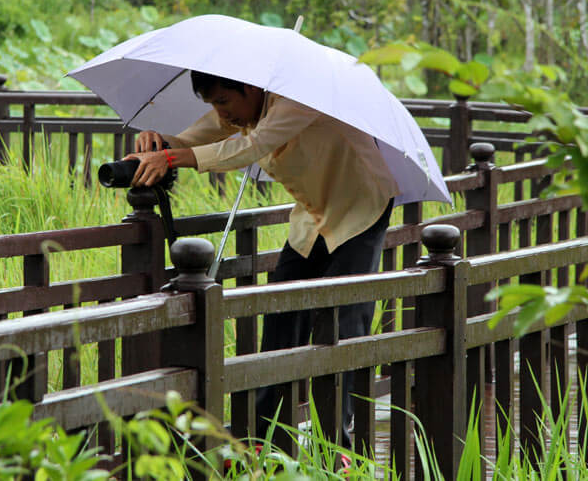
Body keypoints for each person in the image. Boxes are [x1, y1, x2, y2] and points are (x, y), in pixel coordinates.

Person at [125, 70, 398, 446]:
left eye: (223, 101)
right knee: (280, 319)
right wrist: (160, 144)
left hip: (359, 210)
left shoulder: (298, 97)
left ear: (250, 88)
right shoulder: (245, 109)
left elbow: (251, 147)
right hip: (312, 219)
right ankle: (265, 440)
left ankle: (339, 446)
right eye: (213, 104)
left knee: (341, 326)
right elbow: (202, 135)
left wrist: (174, 158)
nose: (222, 115)